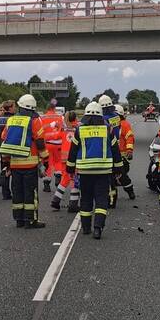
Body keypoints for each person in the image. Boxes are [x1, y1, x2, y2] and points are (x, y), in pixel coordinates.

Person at [66, 101, 122, 239]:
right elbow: (115, 150)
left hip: (85, 172)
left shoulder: (80, 130)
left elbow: (73, 151)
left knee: (86, 199)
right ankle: (97, 228)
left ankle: (85, 228)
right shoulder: (107, 130)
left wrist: (70, 168)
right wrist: (119, 168)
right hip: (103, 172)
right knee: (101, 200)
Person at [0, 94, 47, 228]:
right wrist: (45, 159)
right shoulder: (34, 121)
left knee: (17, 191)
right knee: (30, 193)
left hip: (15, 163)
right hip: (30, 163)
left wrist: (6, 163)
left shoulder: (11, 120)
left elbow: (4, 138)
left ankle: (19, 219)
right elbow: (40, 141)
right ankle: (30, 220)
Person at [50, 110, 80, 212]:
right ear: (75, 118)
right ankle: (73, 204)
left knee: (65, 179)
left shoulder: (63, 129)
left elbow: (55, 136)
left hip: (64, 158)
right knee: (74, 180)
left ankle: (55, 201)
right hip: (74, 158)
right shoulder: (78, 129)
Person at [110, 104, 137, 206]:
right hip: (110, 155)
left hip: (121, 155)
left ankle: (130, 191)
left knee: (122, 176)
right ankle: (112, 197)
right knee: (111, 177)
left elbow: (129, 137)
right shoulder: (111, 124)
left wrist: (129, 150)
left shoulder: (125, 125)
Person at [98, 95, 121, 207]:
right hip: (116, 145)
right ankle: (113, 199)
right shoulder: (116, 116)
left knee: (105, 176)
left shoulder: (102, 119)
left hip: (105, 147)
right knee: (113, 175)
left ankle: (107, 198)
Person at [40, 99, 66, 193]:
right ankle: (58, 177)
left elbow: (40, 131)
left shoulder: (42, 118)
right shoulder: (61, 117)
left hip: (47, 143)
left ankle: (46, 184)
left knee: (48, 163)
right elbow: (64, 129)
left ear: (46, 109)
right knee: (58, 161)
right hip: (58, 143)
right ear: (54, 108)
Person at [0, 100, 15, 199]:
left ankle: (5, 193)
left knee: (5, 167)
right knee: (15, 170)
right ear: (9, 108)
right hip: (13, 147)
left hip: (2, 147)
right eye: (14, 106)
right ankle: (15, 192)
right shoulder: (14, 119)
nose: (15, 108)